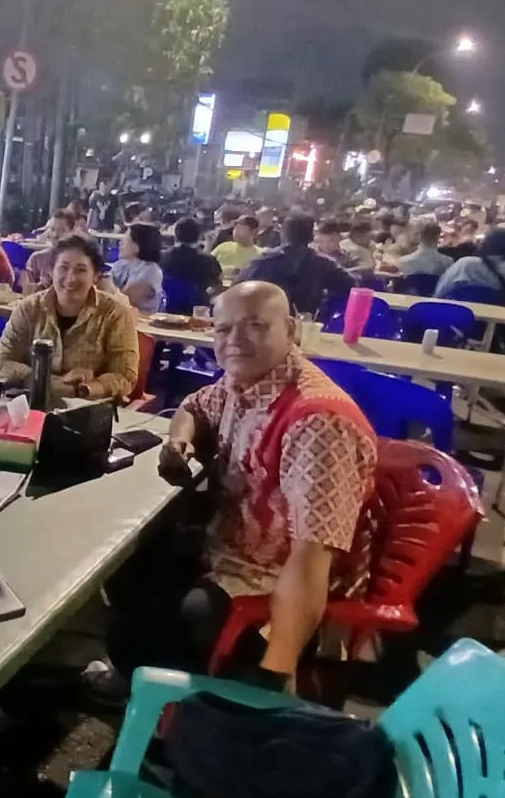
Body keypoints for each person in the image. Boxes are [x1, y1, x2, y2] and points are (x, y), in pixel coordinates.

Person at [84, 281, 377, 699]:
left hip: (270, 577)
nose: (235, 339)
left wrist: (277, 670)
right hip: (226, 541)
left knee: (147, 628)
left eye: (255, 325)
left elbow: (311, 558)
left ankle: (174, 697)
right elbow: (192, 407)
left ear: (290, 330)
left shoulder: (317, 423)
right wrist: (179, 441)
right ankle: (137, 670)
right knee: (124, 560)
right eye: (224, 329)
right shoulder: (244, 381)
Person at [0, 236, 139, 401]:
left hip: (89, 407)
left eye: (81, 270)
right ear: (51, 271)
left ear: (96, 275)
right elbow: (2, 365)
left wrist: (85, 389)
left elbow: (125, 375)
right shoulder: (28, 309)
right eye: (63, 268)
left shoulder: (115, 313)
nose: (71, 278)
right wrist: (58, 384)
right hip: (28, 402)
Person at [236, 215, 355, 316]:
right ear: (311, 237)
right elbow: (351, 285)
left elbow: (236, 289)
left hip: (264, 325)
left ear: (283, 234)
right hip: (305, 327)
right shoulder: (323, 264)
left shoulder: (261, 261)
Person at [435, 228, 505, 308]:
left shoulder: (466, 265)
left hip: (457, 316)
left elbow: (441, 291)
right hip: (493, 320)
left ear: (486, 243)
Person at [159, 217, 222, 312]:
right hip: (196, 309)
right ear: (199, 236)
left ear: (175, 234)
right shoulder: (208, 260)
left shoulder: (161, 257)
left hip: (164, 307)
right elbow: (218, 285)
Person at [107, 222, 165, 314]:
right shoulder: (121, 265)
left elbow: (125, 300)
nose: (120, 243)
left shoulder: (152, 272)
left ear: (136, 247)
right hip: (119, 317)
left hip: (141, 320)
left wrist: (104, 282)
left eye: (125, 240)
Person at [25, 210, 77, 289]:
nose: (55, 235)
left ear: (72, 232)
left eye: (62, 230)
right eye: (52, 229)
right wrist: (40, 286)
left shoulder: (80, 262)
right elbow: (26, 290)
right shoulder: (36, 259)